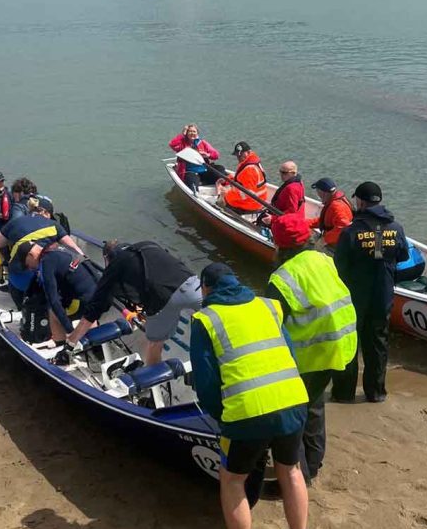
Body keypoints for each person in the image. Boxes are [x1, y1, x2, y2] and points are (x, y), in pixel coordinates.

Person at [190, 262, 311, 529]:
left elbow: (205, 383)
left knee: (233, 480)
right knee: (291, 470)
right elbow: (289, 353)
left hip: (246, 411)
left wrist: (223, 418)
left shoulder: (205, 319)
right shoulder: (268, 307)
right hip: (292, 399)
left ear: (206, 288)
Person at [265, 212, 357, 482]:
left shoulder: (281, 278)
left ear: (279, 245)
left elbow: (274, 323)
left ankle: (298, 476)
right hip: (342, 344)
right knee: (315, 405)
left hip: (310, 354)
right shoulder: (322, 258)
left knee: (293, 415)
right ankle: (314, 463)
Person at [68, 240, 201, 366]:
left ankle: (153, 379)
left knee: (155, 344)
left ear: (108, 258)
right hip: (192, 284)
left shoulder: (116, 265)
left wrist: (71, 343)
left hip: (163, 300)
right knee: (217, 319)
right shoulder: (148, 245)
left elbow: (94, 308)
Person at [332, 182, 407, 403]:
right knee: (377, 343)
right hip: (383, 295)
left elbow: (339, 266)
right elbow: (402, 256)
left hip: (355, 296)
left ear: (361, 202)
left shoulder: (351, 232)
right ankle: (376, 393)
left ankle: (344, 394)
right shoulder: (396, 228)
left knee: (349, 343)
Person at [14, 241, 97, 344]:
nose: (30, 268)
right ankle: (96, 345)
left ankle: (61, 344)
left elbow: (54, 301)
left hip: (83, 302)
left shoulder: (45, 263)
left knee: (52, 311)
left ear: (31, 255)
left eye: (27, 264)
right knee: (86, 308)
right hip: (97, 295)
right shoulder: (57, 247)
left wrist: (70, 331)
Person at [169, 124, 223, 192]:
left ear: (197, 133)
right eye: (190, 131)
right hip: (190, 172)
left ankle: (222, 186)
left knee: (220, 168)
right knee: (192, 181)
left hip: (204, 171)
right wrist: (183, 134)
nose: (192, 133)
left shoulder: (202, 143)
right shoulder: (182, 144)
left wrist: (207, 155)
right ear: (186, 133)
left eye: (194, 131)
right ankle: (195, 193)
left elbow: (216, 155)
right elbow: (172, 144)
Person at [217, 142, 267, 213]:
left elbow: (248, 194)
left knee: (221, 198)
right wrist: (227, 179)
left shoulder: (249, 169)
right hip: (260, 200)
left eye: (240, 155)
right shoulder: (252, 162)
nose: (238, 158)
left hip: (250, 204)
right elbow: (240, 177)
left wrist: (226, 194)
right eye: (237, 155)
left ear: (249, 152)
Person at [308, 178, 353, 247]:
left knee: (309, 245)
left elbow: (343, 227)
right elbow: (325, 221)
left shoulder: (336, 206)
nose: (317, 194)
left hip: (336, 244)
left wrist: (324, 240)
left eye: (317, 191)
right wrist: (306, 223)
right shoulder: (336, 200)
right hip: (333, 238)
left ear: (323, 193)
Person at [258, 161, 304, 227]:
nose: (281, 175)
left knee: (260, 221)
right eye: (280, 172)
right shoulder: (299, 183)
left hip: (284, 220)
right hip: (280, 212)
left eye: (284, 173)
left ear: (293, 173)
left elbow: (292, 211)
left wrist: (273, 219)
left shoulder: (291, 188)